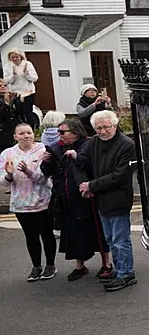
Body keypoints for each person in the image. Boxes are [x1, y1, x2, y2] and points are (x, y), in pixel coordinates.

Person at [40, 118, 113, 281]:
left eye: (62, 132)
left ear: (75, 132)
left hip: (86, 196)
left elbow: (93, 166)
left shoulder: (88, 145)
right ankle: (80, 266)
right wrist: (46, 162)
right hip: (65, 197)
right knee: (72, 233)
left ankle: (106, 264)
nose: (59, 136)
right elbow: (49, 172)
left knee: (97, 231)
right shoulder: (56, 148)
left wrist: (77, 157)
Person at [72, 110, 137, 291]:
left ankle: (126, 274)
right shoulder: (93, 142)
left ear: (115, 126)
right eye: (98, 128)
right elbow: (81, 162)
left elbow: (120, 176)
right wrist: (83, 183)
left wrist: (91, 186)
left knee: (120, 239)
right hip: (101, 200)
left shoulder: (127, 145)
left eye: (106, 127)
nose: (102, 131)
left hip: (118, 199)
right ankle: (120, 270)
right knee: (109, 239)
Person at [1, 123, 56, 281]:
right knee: (30, 236)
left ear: (33, 134)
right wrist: (9, 175)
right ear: (15, 136)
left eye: (29, 132)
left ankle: (50, 265)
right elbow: (4, 182)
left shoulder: (43, 150)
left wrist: (27, 170)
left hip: (42, 200)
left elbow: (43, 177)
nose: (26, 136)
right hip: (20, 203)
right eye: (22, 133)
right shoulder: (7, 153)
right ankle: (36, 266)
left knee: (46, 234)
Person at [2, 48, 38, 128]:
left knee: (28, 113)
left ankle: (31, 130)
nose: (15, 59)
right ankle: (19, 130)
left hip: (28, 92)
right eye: (12, 57)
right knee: (17, 113)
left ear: (21, 56)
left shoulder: (28, 64)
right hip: (14, 93)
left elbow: (35, 78)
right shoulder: (8, 66)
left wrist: (26, 74)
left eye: (16, 57)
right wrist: (13, 76)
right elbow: (6, 81)